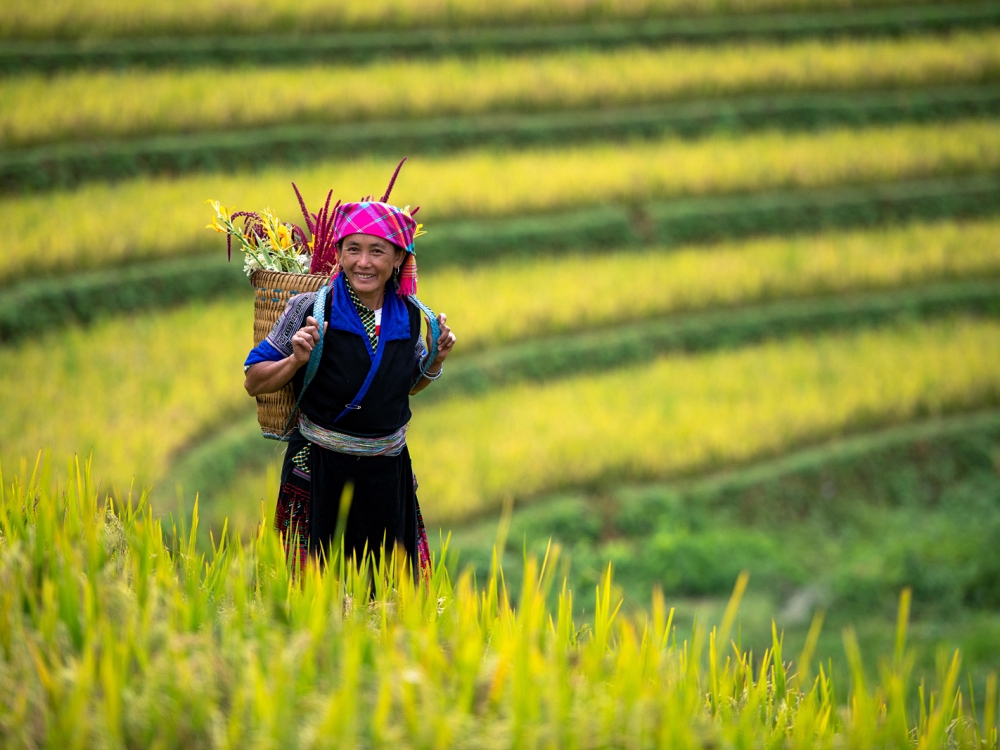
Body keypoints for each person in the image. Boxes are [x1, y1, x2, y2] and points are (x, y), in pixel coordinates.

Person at [243, 194, 456, 576]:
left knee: (386, 595)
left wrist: (435, 360)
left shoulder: (409, 315)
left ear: (397, 260)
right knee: (312, 592)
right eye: (353, 248)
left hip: (387, 474)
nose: (364, 262)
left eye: (377, 251)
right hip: (319, 468)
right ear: (339, 254)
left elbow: (406, 387)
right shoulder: (309, 309)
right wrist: (295, 359)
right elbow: (252, 380)